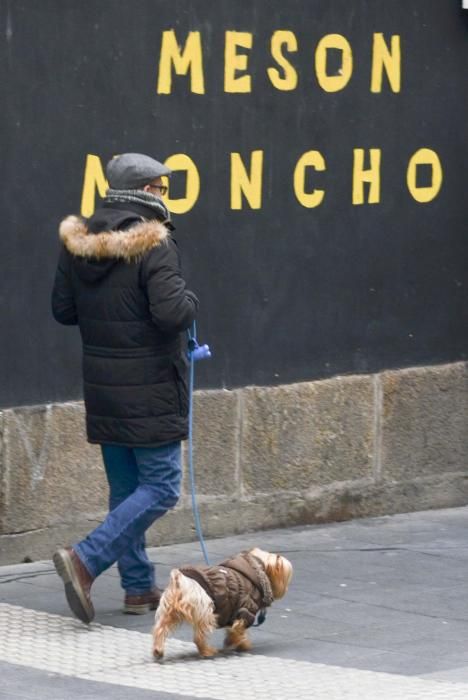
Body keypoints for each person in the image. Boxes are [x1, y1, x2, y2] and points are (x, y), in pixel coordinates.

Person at [51, 153, 199, 624]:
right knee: (161, 486)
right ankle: (86, 560)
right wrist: (192, 299)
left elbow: (63, 310)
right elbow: (172, 313)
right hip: (150, 387)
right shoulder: (154, 244)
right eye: (162, 189)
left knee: (126, 489)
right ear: (146, 192)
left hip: (104, 386)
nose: (164, 197)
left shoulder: (78, 244)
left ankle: (137, 586)